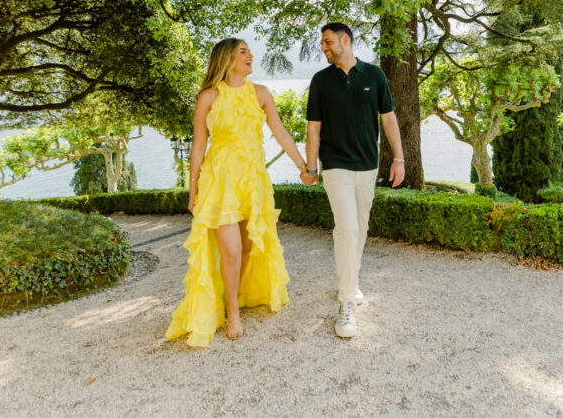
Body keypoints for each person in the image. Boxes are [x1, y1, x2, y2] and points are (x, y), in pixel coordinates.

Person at [166, 38, 309, 346]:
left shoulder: (261, 94)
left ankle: (237, 295)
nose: (250, 55)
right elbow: (198, 146)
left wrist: (303, 166)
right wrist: (192, 191)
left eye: (248, 51)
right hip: (219, 183)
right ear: (227, 59)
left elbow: (280, 133)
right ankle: (232, 309)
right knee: (230, 250)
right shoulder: (208, 97)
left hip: (253, 181)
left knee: (245, 248)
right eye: (243, 51)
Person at [303, 22, 405, 338]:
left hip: (367, 166)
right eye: (322, 43)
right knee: (346, 228)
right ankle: (347, 303)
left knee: (359, 228)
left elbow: (388, 118)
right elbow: (313, 128)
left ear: (345, 40)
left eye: (328, 42)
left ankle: (351, 282)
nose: (324, 47)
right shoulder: (320, 81)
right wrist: (310, 166)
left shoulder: (374, 76)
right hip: (335, 166)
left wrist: (399, 158)